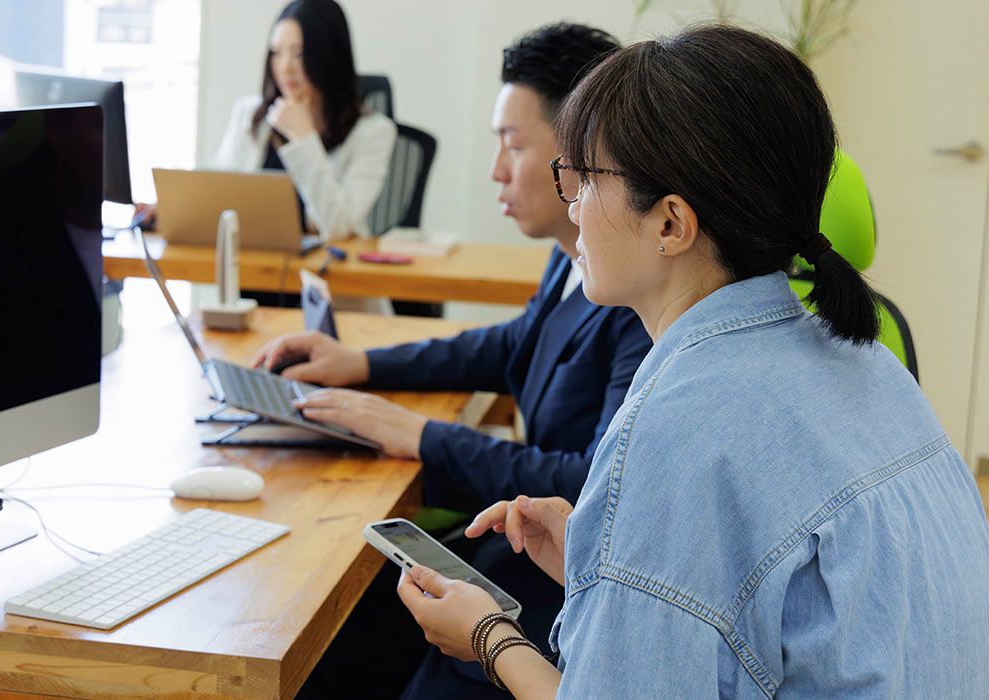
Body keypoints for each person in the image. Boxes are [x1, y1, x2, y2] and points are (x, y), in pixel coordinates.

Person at [395, 25, 989, 698]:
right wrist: (610, 562)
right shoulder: (873, 368)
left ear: (671, 224)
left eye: (585, 178)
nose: (573, 204)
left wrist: (488, 637)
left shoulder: (677, 430)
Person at [256, 24, 650, 699]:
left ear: (583, 150)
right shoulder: (570, 258)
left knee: (334, 624)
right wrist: (363, 364)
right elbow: (508, 346)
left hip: (548, 593)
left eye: (513, 145)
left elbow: (593, 483)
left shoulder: (634, 297)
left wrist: (424, 436)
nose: (496, 169)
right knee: (326, 621)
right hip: (524, 552)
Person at [212, 0, 396, 243]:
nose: (285, 67)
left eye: (298, 53)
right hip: (251, 267)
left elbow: (337, 227)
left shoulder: (373, 132)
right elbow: (216, 197)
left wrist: (304, 137)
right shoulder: (250, 114)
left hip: (327, 274)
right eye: (277, 52)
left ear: (329, 56)